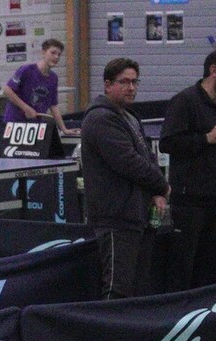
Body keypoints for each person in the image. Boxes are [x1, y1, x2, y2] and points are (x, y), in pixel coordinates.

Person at [80, 58, 170, 299]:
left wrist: (156, 192)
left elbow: (148, 155)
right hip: (115, 218)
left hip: (137, 215)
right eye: (124, 82)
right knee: (118, 288)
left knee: (137, 287)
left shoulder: (129, 116)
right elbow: (128, 162)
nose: (131, 88)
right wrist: (162, 185)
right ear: (108, 85)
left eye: (134, 82)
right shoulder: (101, 118)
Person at [161, 48, 216, 288]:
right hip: (190, 203)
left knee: (211, 269)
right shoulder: (185, 101)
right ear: (214, 71)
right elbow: (168, 143)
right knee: (183, 268)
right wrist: (206, 138)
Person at [3, 39, 78, 137]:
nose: (56, 57)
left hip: (35, 126)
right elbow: (7, 90)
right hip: (15, 123)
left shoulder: (53, 78)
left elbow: (53, 105)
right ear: (43, 52)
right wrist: (25, 108)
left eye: (59, 54)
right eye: (53, 53)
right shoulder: (26, 70)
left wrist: (64, 129)